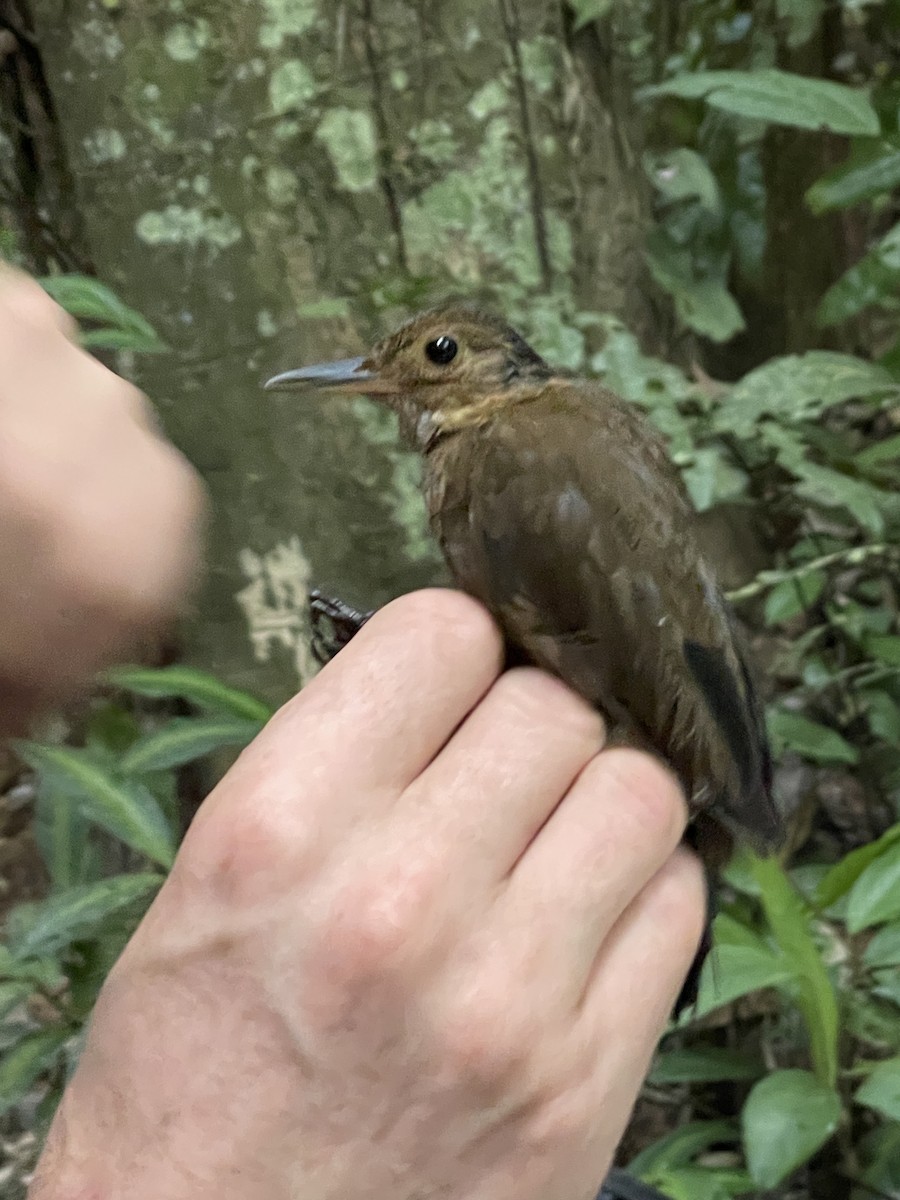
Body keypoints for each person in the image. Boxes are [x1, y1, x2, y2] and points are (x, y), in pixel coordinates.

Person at [0, 267, 705, 1200]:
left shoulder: (508, 446)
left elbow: (594, 647)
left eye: (438, 356)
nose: (410, 375)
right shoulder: (508, 447)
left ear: (494, 371)